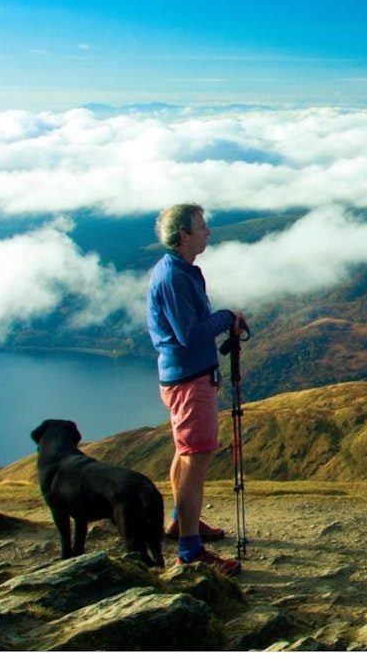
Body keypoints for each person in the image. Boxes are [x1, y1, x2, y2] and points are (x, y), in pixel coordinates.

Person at [147, 203, 246, 576]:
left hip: (183, 376)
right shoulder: (174, 277)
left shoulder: (178, 271)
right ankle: (189, 550)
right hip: (190, 379)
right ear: (184, 235)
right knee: (196, 458)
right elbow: (189, 334)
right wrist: (226, 318)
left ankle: (180, 523)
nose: (208, 232)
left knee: (185, 453)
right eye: (202, 227)